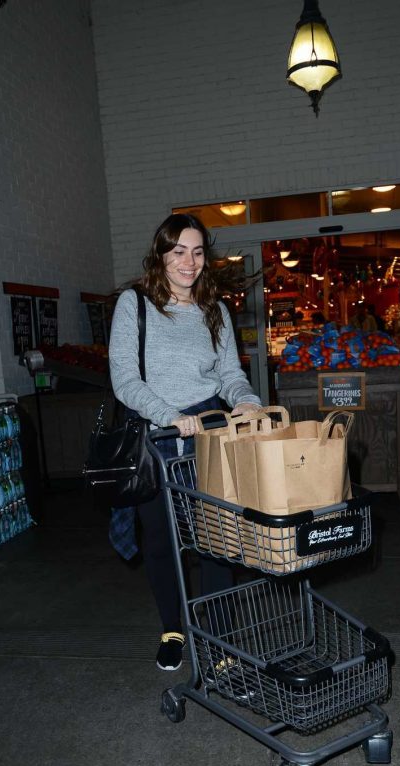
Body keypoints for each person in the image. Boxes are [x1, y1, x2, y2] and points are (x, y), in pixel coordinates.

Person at [109, 213, 262, 671]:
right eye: (178, 251)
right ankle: (173, 628)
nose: (188, 262)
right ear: (161, 254)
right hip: (157, 437)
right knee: (162, 540)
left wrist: (247, 402)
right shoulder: (134, 304)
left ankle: (218, 642)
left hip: (208, 435)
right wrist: (169, 417)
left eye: (197, 252)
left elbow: (230, 374)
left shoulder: (215, 311)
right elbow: (123, 377)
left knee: (218, 540)